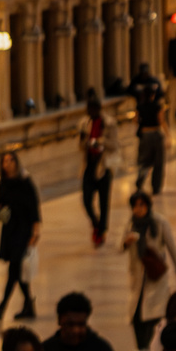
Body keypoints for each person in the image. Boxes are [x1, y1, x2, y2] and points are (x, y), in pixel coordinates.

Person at [122, 191, 176, 351]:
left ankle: (152, 344)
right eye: (135, 205)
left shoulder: (159, 222)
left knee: (154, 312)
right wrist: (125, 242)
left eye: (142, 205)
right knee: (136, 312)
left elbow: (172, 246)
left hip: (156, 275)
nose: (138, 209)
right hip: (137, 275)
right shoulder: (130, 224)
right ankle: (141, 346)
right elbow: (119, 245)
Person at [0, 151, 42, 320]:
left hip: (23, 229)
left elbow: (34, 207)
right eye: (5, 161)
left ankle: (2, 307)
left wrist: (35, 231)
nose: (8, 164)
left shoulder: (25, 183)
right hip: (10, 230)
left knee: (14, 270)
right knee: (17, 270)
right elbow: (3, 212)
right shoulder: (2, 185)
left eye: (11, 160)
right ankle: (28, 304)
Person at [77, 91, 120, 248]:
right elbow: (81, 146)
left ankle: (102, 231)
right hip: (89, 165)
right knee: (86, 200)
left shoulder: (109, 123)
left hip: (103, 166)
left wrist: (99, 142)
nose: (90, 112)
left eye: (93, 109)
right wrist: (85, 141)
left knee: (103, 201)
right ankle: (96, 223)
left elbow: (114, 144)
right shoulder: (84, 123)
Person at [130, 61, 169, 193]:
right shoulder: (158, 106)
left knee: (144, 161)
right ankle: (156, 187)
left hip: (145, 135)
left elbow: (135, 120)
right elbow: (161, 121)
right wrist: (168, 135)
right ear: (153, 95)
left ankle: (140, 179)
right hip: (156, 134)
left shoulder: (139, 107)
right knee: (158, 162)